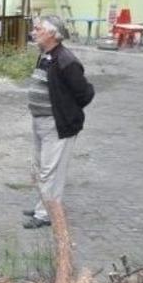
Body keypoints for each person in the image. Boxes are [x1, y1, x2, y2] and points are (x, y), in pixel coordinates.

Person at [23, 15, 94, 229]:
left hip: (57, 124)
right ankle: (42, 205)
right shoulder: (46, 55)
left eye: (39, 29)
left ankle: (46, 214)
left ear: (53, 34)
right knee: (40, 168)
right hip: (40, 121)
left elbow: (85, 93)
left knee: (50, 171)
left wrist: (65, 111)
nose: (34, 32)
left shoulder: (66, 60)